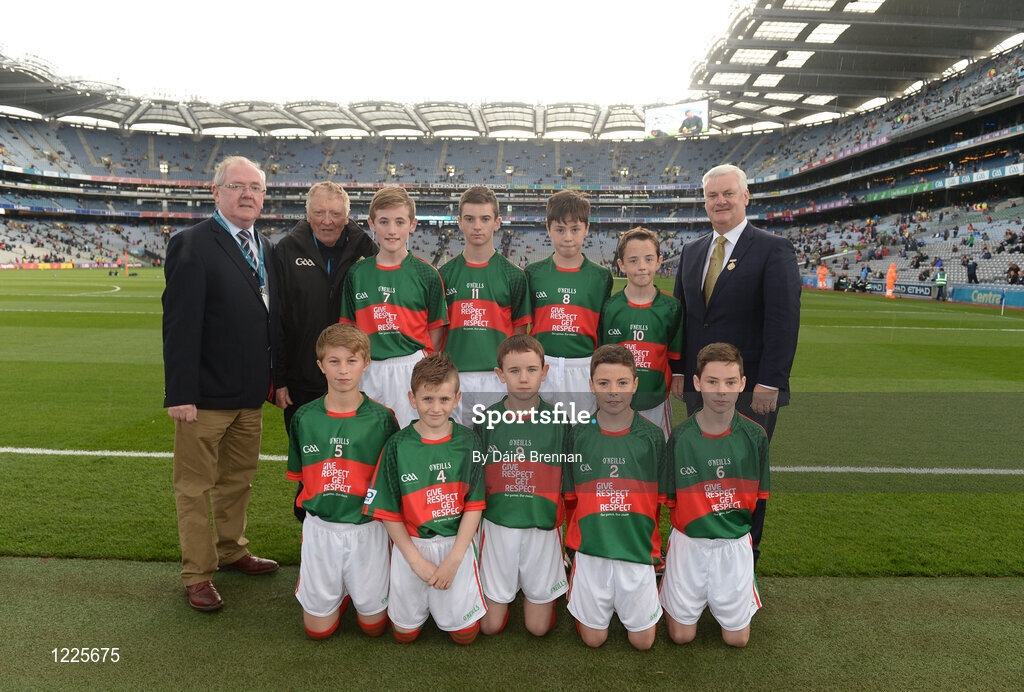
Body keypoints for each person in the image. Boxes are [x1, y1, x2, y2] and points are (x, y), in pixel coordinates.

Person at [162, 155, 279, 612]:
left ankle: (232, 550)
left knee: (238, 481)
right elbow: (180, 324)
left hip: (249, 396)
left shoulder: (265, 245)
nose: (248, 194)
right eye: (237, 186)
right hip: (205, 398)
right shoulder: (191, 242)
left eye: (256, 187)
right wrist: (181, 393)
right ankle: (197, 574)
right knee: (194, 487)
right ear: (216, 191)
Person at [671, 163, 798, 565]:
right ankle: (700, 553)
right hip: (699, 387)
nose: (720, 201)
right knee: (702, 472)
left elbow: (783, 319)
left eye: (728, 193)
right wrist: (678, 371)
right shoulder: (692, 251)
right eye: (712, 195)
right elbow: (683, 318)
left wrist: (772, 380)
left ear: (746, 196)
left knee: (744, 476)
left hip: (751, 387)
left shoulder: (773, 249)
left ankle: (745, 557)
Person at [362, 353, 487, 645]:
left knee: (464, 635)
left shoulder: (469, 442)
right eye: (427, 399)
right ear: (412, 398)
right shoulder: (397, 445)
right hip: (412, 546)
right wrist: (415, 561)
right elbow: (388, 511)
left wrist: (454, 559)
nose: (436, 408)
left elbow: (475, 504)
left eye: (444, 399)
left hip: (455, 544)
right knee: (404, 635)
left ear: (457, 399)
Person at [287, 324, 399, 639]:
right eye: (333, 362)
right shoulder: (304, 418)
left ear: (366, 363)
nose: (343, 370)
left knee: (374, 627)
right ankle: (337, 587)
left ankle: (352, 587)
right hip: (322, 531)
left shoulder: (383, 418)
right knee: (317, 632)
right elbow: (301, 478)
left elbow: (390, 484)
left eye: (351, 361)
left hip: (367, 530)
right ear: (320, 365)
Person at [661, 343, 768, 648]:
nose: (721, 390)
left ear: (743, 384)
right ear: (697, 383)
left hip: (732, 546)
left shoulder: (755, 437)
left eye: (730, 382)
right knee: (682, 636)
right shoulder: (680, 438)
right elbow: (671, 500)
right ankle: (678, 593)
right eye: (712, 381)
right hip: (689, 544)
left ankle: (728, 594)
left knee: (737, 640)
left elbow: (758, 500)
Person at [563, 345, 666, 651]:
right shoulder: (578, 433)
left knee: (644, 642)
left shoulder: (652, 436)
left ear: (635, 384)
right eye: (604, 383)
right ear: (591, 384)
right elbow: (570, 498)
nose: (613, 392)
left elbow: (657, 501)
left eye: (622, 383)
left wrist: (650, 544)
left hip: (635, 550)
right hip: (592, 549)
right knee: (594, 640)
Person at [476, 334, 569, 637]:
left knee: (538, 628)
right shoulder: (486, 420)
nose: (523, 378)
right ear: (500, 374)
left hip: (542, 527)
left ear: (544, 372)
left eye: (531, 370)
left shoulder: (561, 422)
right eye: (514, 371)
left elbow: (568, 479)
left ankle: (539, 588)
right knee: (490, 626)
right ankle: (507, 584)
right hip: (499, 525)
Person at [273, 182, 376, 432]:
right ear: (308, 216)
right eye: (319, 213)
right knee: (308, 459)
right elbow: (277, 319)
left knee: (354, 458)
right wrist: (280, 380)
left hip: (355, 380)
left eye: (335, 213)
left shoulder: (368, 250)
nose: (327, 221)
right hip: (302, 381)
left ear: (347, 216)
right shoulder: (286, 250)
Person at [340, 187, 447, 427]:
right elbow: (348, 330)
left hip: (410, 367)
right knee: (369, 440)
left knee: (410, 439)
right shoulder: (357, 273)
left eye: (399, 222)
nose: (391, 230)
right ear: (372, 223)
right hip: (369, 368)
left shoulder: (427, 274)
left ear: (412, 224)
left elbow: (436, 333)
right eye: (384, 222)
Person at [440, 186, 531, 425]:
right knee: (457, 450)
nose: (477, 226)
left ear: (497, 222)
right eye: (469, 219)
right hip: (454, 377)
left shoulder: (514, 276)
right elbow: (438, 335)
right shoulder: (443, 275)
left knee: (496, 453)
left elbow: (519, 337)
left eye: (485, 219)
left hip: (497, 378)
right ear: (459, 222)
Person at [525, 190, 612, 413]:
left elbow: (602, 330)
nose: (568, 238)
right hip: (542, 366)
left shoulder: (601, 277)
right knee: (543, 433)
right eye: (560, 230)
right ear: (548, 230)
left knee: (581, 432)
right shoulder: (533, 273)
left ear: (587, 229)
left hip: (583, 367)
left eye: (575, 229)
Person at [598, 227, 683, 438]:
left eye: (648, 259)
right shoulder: (609, 308)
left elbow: (674, 356)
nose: (642, 267)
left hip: (656, 402)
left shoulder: (672, 308)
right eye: (633, 260)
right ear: (621, 265)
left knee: (658, 461)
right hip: (616, 402)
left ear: (659, 261)